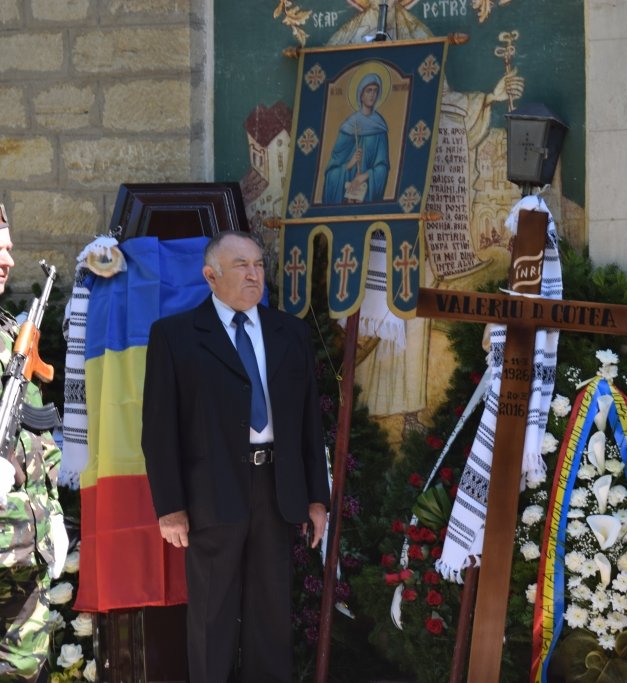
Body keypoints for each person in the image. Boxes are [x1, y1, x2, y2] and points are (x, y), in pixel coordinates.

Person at [142, 230, 330, 683]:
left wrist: (317, 498)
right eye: (241, 265)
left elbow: (308, 421)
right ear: (211, 275)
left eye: (259, 265)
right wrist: (170, 508)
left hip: (277, 491)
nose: (254, 274)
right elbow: (158, 429)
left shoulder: (290, 332)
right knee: (212, 618)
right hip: (211, 497)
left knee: (270, 617)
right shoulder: (176, 336)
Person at [0, 203, 68, 681]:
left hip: (23, 570)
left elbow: (39, 438)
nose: (6, 261)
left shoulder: (11, 339)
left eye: (7, 250)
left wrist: (56, 513)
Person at [323, 72, 390, 204]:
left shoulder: (380, 127)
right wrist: (349, 164)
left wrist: (365, 176)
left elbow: (383, 166)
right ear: (361, 94)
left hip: (366, 191)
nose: (372, 95)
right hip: (346, 193)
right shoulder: (349, 125)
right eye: (368, 91)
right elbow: (331, 171)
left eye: (375, 91)